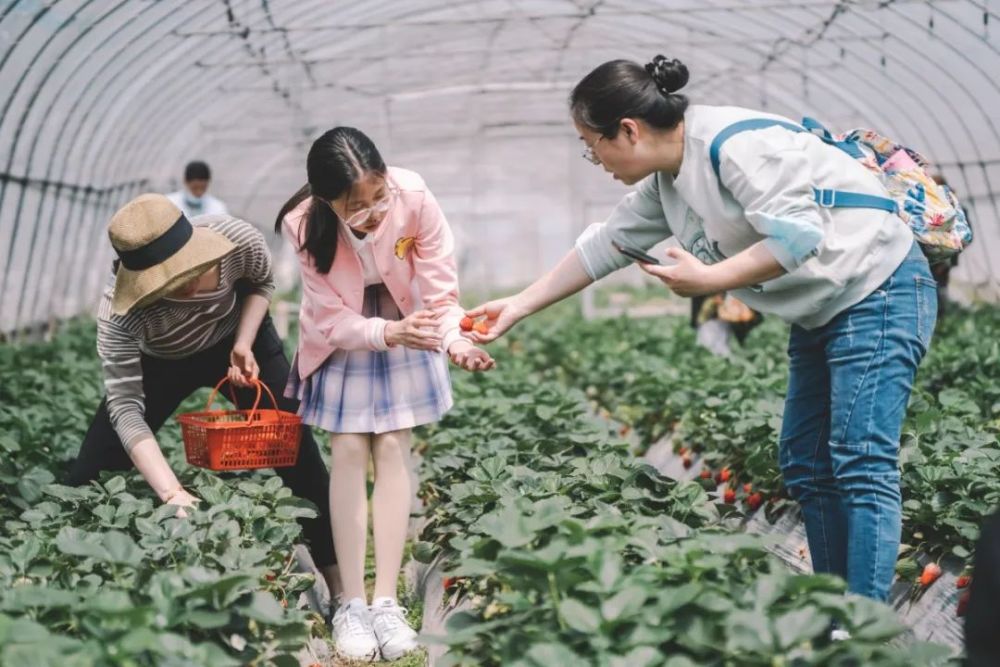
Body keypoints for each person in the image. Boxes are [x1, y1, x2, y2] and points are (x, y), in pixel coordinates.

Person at [466, 56, 937, 603]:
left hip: (878, 287)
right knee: (806, 460)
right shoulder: (669, 180)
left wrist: (710, 278)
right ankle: (834, 611)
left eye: (589, 142)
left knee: (860, 457)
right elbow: (604, 246)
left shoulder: (736, 146)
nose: (591, 157)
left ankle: (864, 628)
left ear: (628, 130)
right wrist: (519, 306)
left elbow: (797, 237)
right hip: (823, 309)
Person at [276, 127, 494, 661]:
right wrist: (387, 333)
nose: (374, 212)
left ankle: (386, 602)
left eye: (379, 197)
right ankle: (350, 601)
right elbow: (329, 317)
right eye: (358, 207)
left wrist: (453, 341)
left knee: (393, 444)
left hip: (409, 319)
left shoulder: (414, 195)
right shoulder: (302, 223)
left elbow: (441, 291)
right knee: (349, 448)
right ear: (326, 199)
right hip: (349, 334)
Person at [65, 193, 340, 598]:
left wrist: (244, 343)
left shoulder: (236, 239)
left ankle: (340, 590)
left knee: (296, 451)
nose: (192, 282)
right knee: (91, 471)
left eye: (195, 267)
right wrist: (172, 493)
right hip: (161, 363)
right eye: (173, 280)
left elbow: (261, 284)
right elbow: (126, 406)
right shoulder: (120, 314)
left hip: (237, 340)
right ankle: (76, 582)